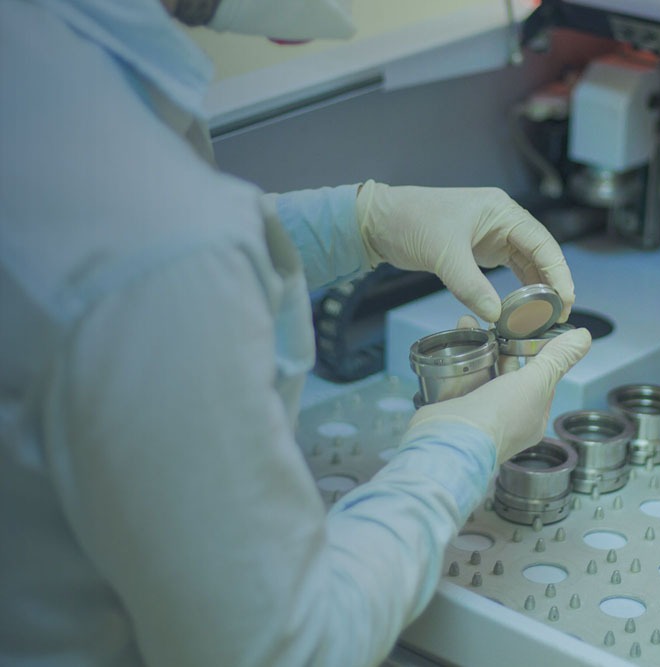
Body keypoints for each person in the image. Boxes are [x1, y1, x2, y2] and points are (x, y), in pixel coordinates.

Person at [0, 1, 592, 665]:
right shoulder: (161, 251)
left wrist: (360, 221)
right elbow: (291, 648)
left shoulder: (36, 49)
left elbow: (100, 241)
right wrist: (458, 449)